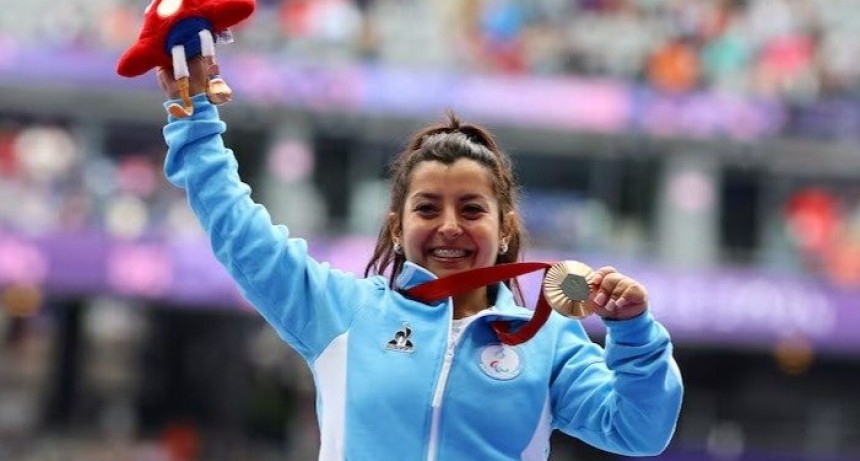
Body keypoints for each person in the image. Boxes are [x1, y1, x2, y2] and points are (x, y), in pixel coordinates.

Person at [156, 57, 683, 460]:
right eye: (428, 208)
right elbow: (239, 230)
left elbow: (639, 432)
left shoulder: (549, 341)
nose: (449, 226)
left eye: (472, 209)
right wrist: (196, 118)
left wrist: (634, 334)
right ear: (397, 226)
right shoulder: (343, 312)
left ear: (505, 231)